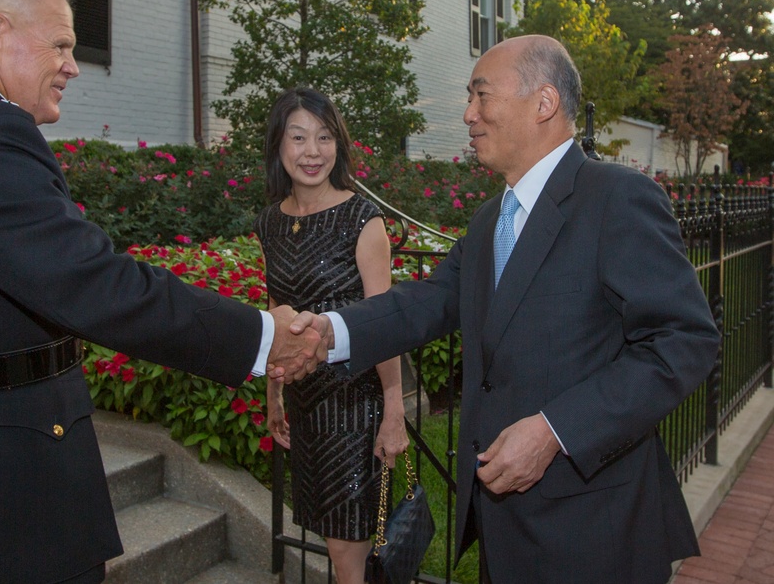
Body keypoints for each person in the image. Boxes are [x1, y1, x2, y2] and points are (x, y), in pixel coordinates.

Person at [0, 0, 322, 584]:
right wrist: (261, 339)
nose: (73, 66)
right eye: (62, 46)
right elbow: (98, 284)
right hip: (1, 489)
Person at [286, 35, 721, 583]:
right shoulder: (492, 217)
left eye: (481, 95)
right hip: (501, 523)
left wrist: (554, 431)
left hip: (594, 529)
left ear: (543, 103)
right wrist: (332, 331)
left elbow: (684, 341)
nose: (469, 114)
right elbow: (432, 300)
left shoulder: (616, 198)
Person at [253, 88, 409, 584]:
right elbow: (278, 314)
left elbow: (386, 326)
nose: (312, 151)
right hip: (305, 404)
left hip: (353, 408)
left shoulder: (362, 221)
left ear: (338, 145)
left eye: (323, 137)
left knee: (348, 557)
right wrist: (274, 392)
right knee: (331, 542)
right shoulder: (271, 222)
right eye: (298, 137)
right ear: (279, 145)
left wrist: (394, 412)